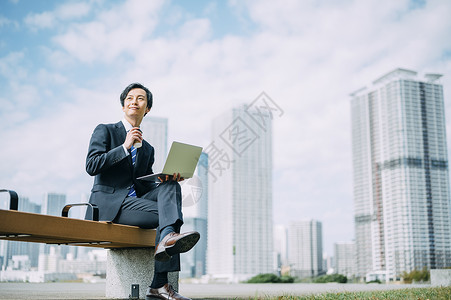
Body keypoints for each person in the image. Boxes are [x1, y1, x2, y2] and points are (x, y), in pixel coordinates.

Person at [85, 82, 199, 300]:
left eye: (140, 98)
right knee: (171, 218)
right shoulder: (106, 130)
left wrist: (165, 179)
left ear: (147, 109)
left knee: (170, 186)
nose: (134, 101)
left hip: (134, 203)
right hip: (110, 206)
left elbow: (144, 187)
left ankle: (167, 242)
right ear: (123, 106)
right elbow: (92, 165)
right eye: (129, 98)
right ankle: (159, 285)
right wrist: (124, 147)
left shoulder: (147, 148)